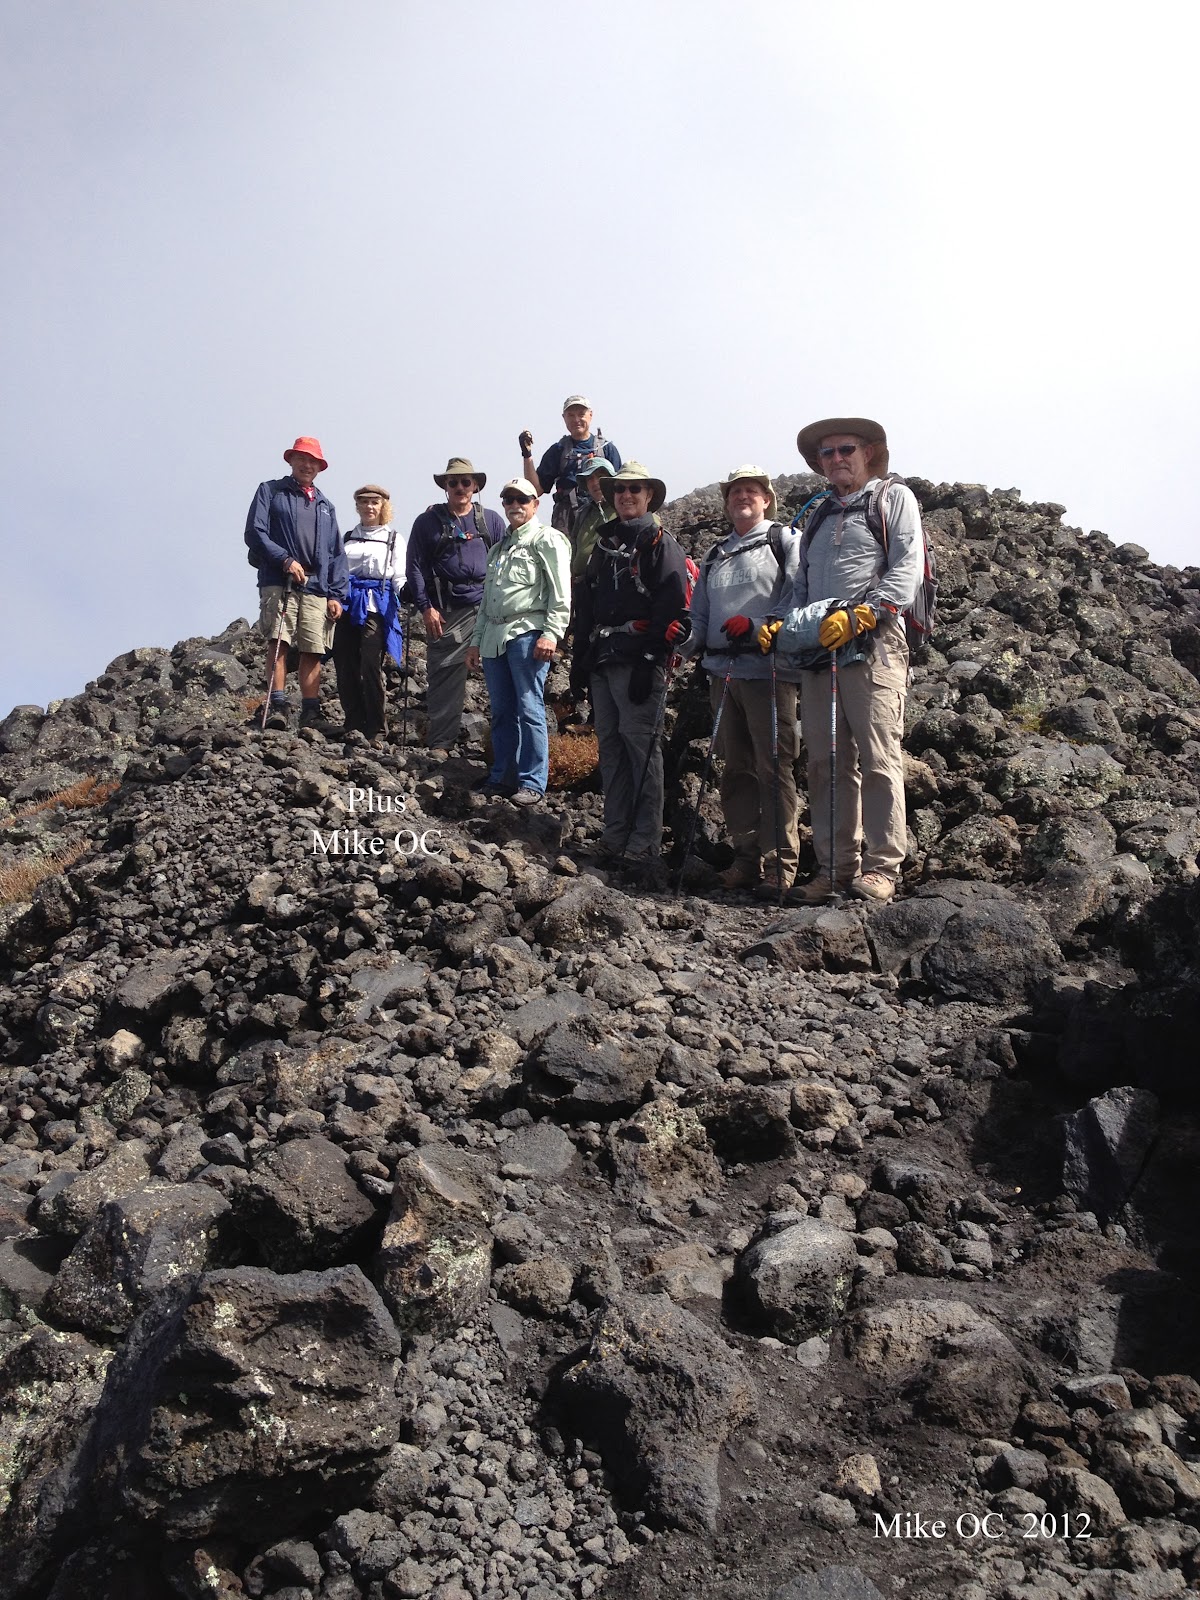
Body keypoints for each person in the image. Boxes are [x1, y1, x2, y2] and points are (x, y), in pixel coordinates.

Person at [775, 417, 923, 904]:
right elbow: (801, 583)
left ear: (868, 453)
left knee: (879, 757)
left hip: (876, 644)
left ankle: (881, 869)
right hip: (822, 651)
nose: (836, 458)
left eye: (846, 449)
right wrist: (793, 626)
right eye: (827, 453)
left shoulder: (892, 499)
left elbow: (908, 564)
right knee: (826, 762)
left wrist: (868, 611)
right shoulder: (816, 515)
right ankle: (836, 869)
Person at [685, 465, 803, 898]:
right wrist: (684, 640)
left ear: (767, 499)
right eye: (736, 492)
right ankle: (746, 857)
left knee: (774, 766)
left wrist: (757, 625)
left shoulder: (784, 540)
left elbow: (797, 598)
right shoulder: (715, 554)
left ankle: (780, 864)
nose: (743, 497)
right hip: (722, 672)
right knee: (736, 769)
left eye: (752, 491)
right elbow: (699, 616)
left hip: (768, 672)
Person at [572, 462, 689, 880]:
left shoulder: (660, 543)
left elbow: (673, 606)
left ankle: (644, 843)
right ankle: (615, 834)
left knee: (641, 749)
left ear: (649, 496)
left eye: (634, 490)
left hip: (639, 659)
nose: (626, 496)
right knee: (612, 750)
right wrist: (581, 660)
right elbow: (587, 605)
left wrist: (651, 660)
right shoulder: (604, 546)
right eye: (620, 489)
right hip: (604, 658)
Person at [466, 479, 571, 805]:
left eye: (522, 499)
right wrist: (475, 641)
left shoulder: (547, 539)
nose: (515, 505)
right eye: (509, 499)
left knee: (529, 709)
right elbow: (487, 601)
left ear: (535, 503)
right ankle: (502, 777)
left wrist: (551, 633)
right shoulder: (498, 548)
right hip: (495, 637)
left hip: (528, 633)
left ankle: (532, 782)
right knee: (501, 711)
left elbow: (561, 593)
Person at [244, 435, 347, 732]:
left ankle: (310, 712)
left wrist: (336, 594)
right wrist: (285, 559)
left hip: (317, 586)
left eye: (313, 461)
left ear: (319, 467)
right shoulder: (271, 491)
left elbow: (336, 553)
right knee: (279, 641)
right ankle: (277, 704)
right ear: (290, 460)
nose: (307, 464)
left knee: (314, 648)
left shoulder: (326, 505)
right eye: (302, 458)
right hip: (280, 579)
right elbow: (255, 532)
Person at [405, 457, 504, 755]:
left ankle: (501, 748)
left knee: (501, 675)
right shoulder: (427, 522)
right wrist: (426, 607)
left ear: (475, 486)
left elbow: (506, 561)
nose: (460, 487)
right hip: (449, 612)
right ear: (445, 487)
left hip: (490, 609)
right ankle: (442, 742)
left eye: (465, 482)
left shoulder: (492, 520)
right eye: (453, 482)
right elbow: (415, 567)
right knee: (446, 674)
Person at [332, 484, 407, 743]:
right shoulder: (347, 538)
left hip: (377, 603)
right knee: (344, 659)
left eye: (374, 502)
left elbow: (398, 574)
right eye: (364, 502)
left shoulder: (394, 538)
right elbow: (338, 571)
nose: (369, 507)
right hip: (347, 603)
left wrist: (405, 592)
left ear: (383, 506)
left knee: (371, 661)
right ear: (357, 506)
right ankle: (353, 720)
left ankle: (376, 726)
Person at [518, 396, 622, 533]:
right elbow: (535, 490)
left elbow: (620, 487)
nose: (576, 420)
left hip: (600, 511)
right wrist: (527, 454)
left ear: (591, 415)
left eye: (581, 414)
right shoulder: (558, 450)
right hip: (566, 516)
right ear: (564, 418)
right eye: (571, 415)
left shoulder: (606, 449)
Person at [570, 456, 617, 582]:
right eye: (590, 478)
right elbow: (573, 546)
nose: (595, 482)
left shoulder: (621, 509)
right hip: (581, 587)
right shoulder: (583, 513)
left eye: (600, 476)